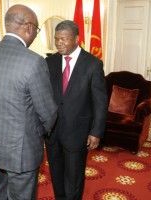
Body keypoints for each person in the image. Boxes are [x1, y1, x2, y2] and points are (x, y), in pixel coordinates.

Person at [0, 4, 57, 200]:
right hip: (21, 149)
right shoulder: (33, 61)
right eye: (37, 30)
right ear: (28, 27)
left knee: (0, 188)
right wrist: (41, 133)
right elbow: (48, 113)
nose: (36, 35)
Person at [45, 20, 108, 200]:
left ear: (77, 39)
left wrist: (96, 132)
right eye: (56, 39)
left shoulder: (93, 64)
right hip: (53, 132)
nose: (59, 43)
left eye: (64, 39)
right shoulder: (49, 62)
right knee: (56, 175)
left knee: (73, 179)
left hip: (77, 132)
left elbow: (100, 102)